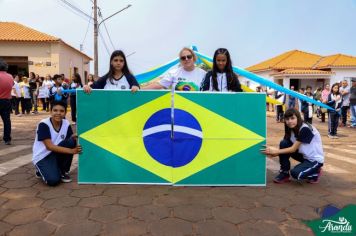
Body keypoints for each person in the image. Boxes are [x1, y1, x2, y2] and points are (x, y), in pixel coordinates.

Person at [261, 109, 324, 184]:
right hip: (303, 156)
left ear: (298, 117)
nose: (290, 121)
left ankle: (316, 171)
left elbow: (293, 149)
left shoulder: (305, 129)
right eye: (287, 119)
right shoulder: (290, 128)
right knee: (284, 143)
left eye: (292, 118)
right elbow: (284, 148)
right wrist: (274, 153)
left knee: (295, 173)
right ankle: (284, 173)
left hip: (314, 160)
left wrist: (276, 151)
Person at [32, 100, 82, 186]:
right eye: (55, 110)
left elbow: (69, 141)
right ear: (51, 111)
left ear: (66, 113)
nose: (58, 113)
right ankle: (39, 169)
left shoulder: (66, 123)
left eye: (62, 111)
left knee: (72, 140)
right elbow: (49, 147)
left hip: (55, 152)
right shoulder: (44, 124)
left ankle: (63, 171)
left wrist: (75, 137)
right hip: (43, 156)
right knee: (53, 180)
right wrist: (72, 151)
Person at [0, 59, 14, 145]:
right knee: (7, 121)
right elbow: (12, 85)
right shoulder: (10, 76)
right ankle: (7, 139)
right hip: (6, 100)